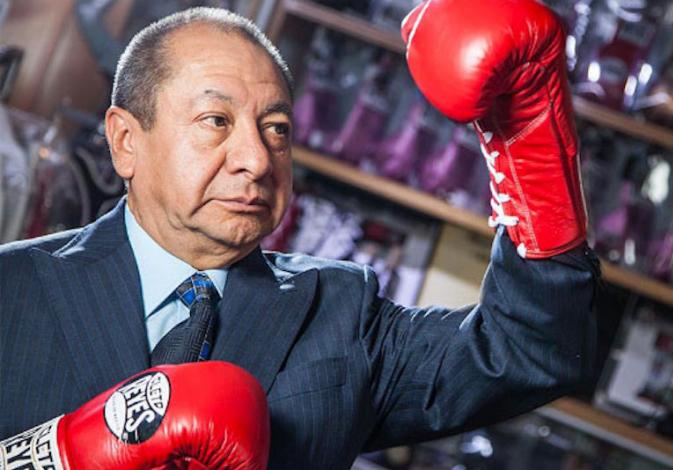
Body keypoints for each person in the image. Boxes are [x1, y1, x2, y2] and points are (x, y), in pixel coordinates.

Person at [0, 2, 598, 468]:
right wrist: (48, 459)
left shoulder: (341, 315)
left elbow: (529, 352)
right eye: (217, 121)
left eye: (277, 129)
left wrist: (529, 134)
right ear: (126, 140)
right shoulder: (12, 288)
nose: (257, 160)